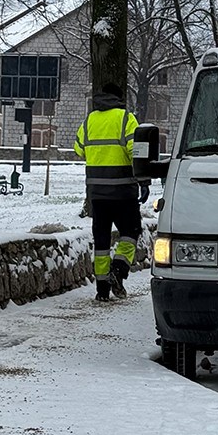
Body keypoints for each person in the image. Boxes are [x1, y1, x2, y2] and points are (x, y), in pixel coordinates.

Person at [74, 82, 149, 301]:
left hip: (97, 193)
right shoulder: (126, 118)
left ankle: (102, 290)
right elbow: (136, 150)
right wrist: (144, 181)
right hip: (123, 191)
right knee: (131, 231)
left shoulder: (89, 120)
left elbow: (79, 149)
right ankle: (118, 269)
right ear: (119, 98)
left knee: (101, 241)